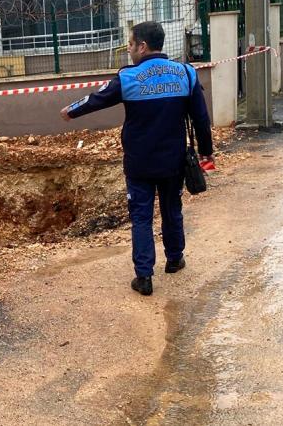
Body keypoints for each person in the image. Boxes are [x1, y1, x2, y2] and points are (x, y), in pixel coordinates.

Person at [60, 21, 214, 296]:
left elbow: (98, 98)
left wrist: (71, 110)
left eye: (130, 44)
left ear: (142, 46)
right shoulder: (185, 74)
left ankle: (144, 277)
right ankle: (175, 259)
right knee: (172, 209)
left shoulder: (129, 78)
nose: (129, 50)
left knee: (141, 217)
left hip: (139, 163)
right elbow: (201, 118)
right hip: (173, 162)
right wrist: (206, 151)